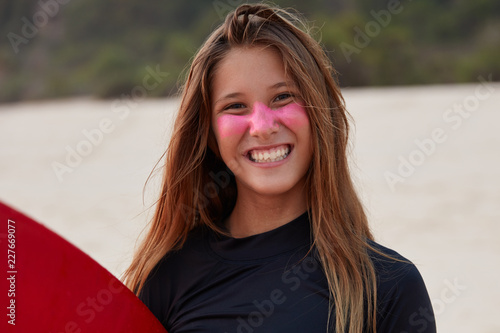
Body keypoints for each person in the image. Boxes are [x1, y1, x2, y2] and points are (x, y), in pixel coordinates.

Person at [123, 4, 436, 333]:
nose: (261, 126)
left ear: (320, 114)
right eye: (235, 106)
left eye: (283, 97)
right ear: (211, 135)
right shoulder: (168, 276)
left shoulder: (388, 286)